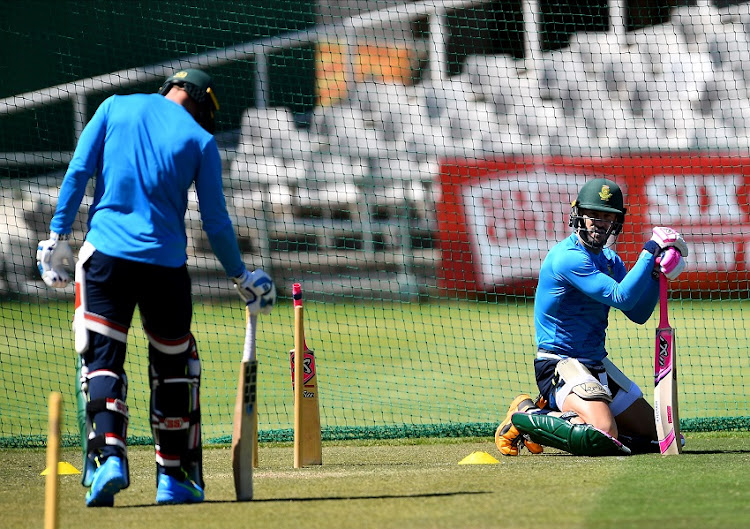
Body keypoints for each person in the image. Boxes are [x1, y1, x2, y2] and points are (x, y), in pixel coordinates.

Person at [36, 68, 277, 506]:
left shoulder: (114, 107)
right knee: (174, 367)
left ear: (169, 88)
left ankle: (109, 456)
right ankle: (174, 477)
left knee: (101, 361)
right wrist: (242, 277)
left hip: (105, 258)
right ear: (202, 105)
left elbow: (78, 171)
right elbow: (217, 224)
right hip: (165, 267)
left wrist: (56, 235)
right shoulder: (202, 141)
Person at [494, 178, 688, 456]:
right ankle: (525, 412)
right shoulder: (568, 258)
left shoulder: (610, 260)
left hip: (596, 365)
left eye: (607, 216)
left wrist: (657, 275)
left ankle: (555, 414)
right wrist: (650, 250)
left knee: (665, 436)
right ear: (579, 216)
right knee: (604, 432)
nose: (599, 222)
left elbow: (637, 312)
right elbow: (621, 296)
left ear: (616, 223)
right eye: (593, 215)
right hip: (559, 364)